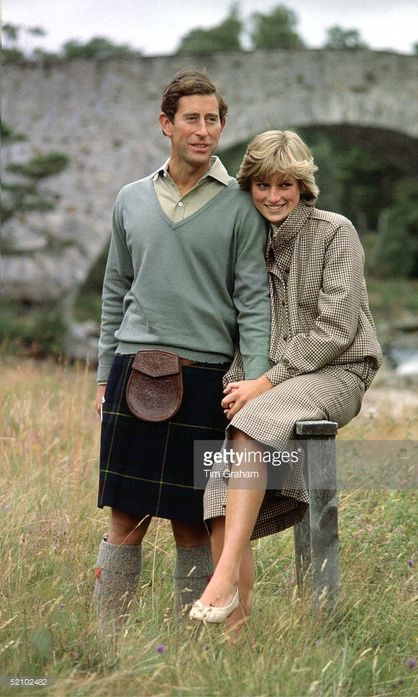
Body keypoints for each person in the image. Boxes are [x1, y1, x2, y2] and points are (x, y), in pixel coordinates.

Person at [93, 70, 271, 633]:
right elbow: (114, 290)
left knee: (193, 521)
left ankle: (187, 644)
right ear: (166, 124)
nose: (202, 130)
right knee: (125, 518)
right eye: (190, 118)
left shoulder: (242, 208)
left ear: (223, 126)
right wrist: (104, 375)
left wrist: (258, 385)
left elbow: (254, 302)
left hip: (205, 379)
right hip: (134, 369)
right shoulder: (130, 199)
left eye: (212, 119)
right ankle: (106, 639)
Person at [190, 130, 383, 630]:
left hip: (339, 371)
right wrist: (243, 380)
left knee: (252, 423)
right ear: (249, 188)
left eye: (286, 185)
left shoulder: (334, 232)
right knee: (215, 490)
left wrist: (266, 382)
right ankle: (236, 635)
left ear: (303, 186)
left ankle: (223, 575)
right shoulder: (247, 238)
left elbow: (337, 328)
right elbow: (240, 324)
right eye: (262, 186)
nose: (273, 197)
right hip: (273, 385)